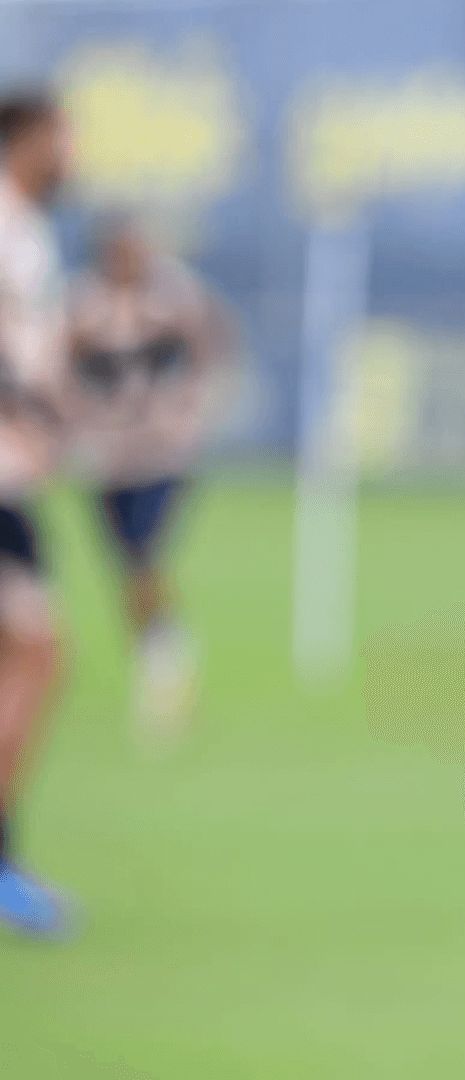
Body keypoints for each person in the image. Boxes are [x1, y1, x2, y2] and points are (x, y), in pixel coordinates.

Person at [67, 214, 232, 743]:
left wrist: (194, 406)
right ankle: (160, 654)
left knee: (144, 556)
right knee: (127, 565)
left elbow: (214, 342)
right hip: (109, 456)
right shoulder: (83, 304)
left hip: (164, 454)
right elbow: (61, 365)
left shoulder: (176, 294)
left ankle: (164, 669)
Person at [0, 89, 73, 939]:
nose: (70, 153)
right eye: (60, 137)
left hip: (17, 476)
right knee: (39, 653)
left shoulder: (31, 231)